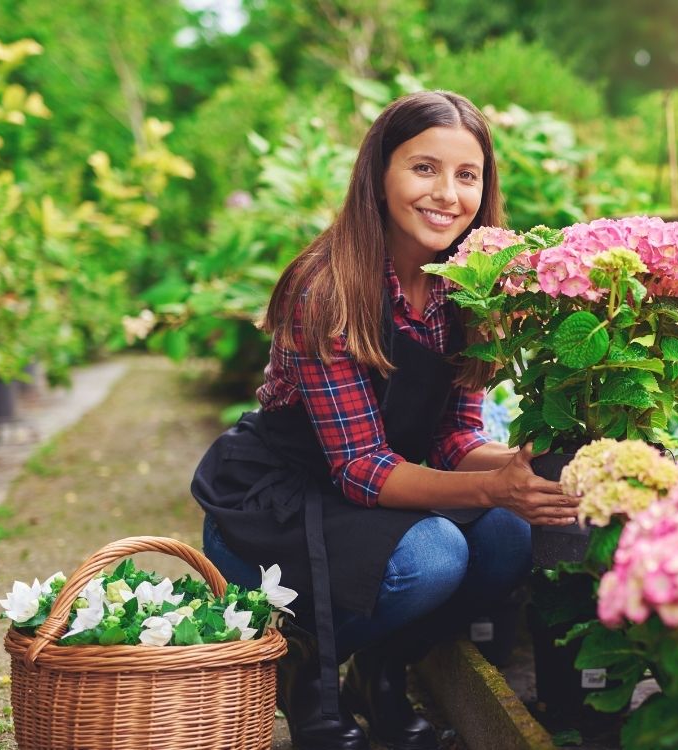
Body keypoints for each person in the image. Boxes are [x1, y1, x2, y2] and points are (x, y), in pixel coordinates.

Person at [191, 90, 579, 750]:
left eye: (467, 175)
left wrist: (530, 470)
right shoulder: (329, 288)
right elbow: (360, 467)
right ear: (379, 175)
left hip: (368, 501)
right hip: (277, 509)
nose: (447, 195)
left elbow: (455, 438)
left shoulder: (468, 286)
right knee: (435, 556)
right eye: (423, 168)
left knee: (512, 536)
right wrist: (492, 488)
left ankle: (384, 670)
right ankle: (305, 665)